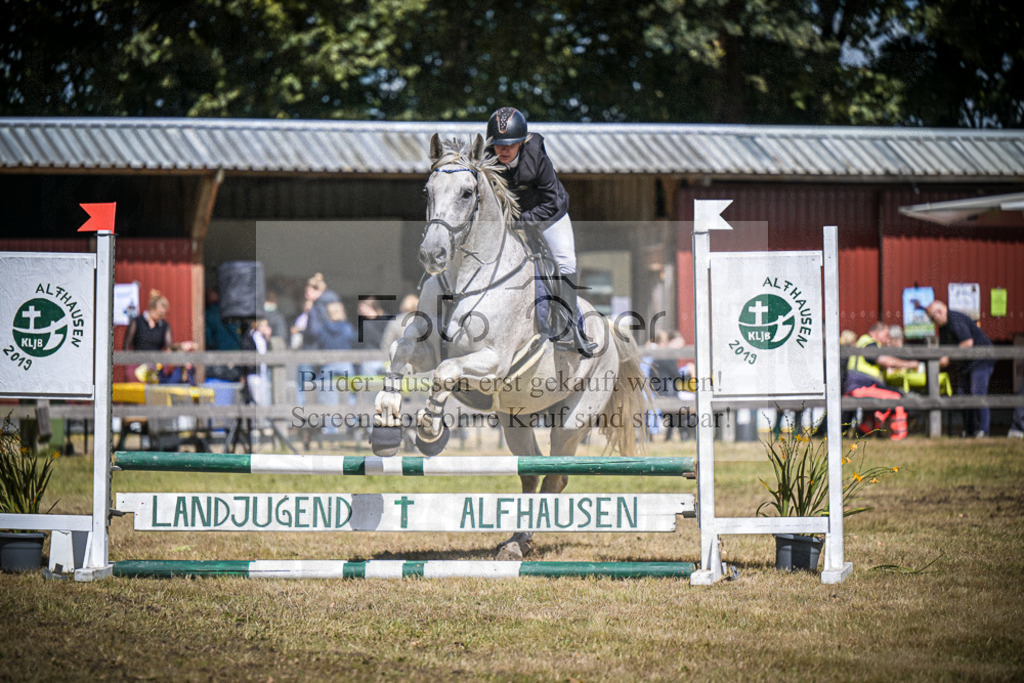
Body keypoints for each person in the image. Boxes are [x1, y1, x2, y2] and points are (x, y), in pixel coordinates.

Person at [485, 106, 597, 357]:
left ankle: (568, 328)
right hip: (511, 219)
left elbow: (554, 202)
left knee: (566, 260)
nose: (503, 150)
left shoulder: (536, 157)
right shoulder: (487, 158)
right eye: (499, 144)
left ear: (522, 142)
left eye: (510, 145)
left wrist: (525, 220)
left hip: (549, 216)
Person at [925, 300, 995, 437]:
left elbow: (967, 343)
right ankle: (969, 431)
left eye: (932, 318)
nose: (933, 322)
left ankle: (983, 430)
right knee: (963, 394)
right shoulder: (943, 327)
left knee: (977, 393)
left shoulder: (955, 320)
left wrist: (948, 358)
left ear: (939, 312)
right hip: (966, 363)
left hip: (981, 358)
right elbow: (945, 349)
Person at [845, 321, 920, 440]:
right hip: (861, 387)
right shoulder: (869, 343)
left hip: (863, 387)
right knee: (897, 397)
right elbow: (886, 361)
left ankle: (863, 432)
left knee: (888, 400)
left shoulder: (867, 343)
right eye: (886, 335)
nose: (888, 338)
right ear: (876, 333)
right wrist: (911, 364)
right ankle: (899, 435)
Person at [123, 289, 195, 382]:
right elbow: (126, 346)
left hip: (156, 367)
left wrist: (180, 346)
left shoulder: (164, 326)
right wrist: (130, 365)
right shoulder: (137, 322)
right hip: (137, 367)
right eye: (160, 313)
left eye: (164, 314)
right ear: (152, 309)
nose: (162, 317)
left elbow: (169, 348)